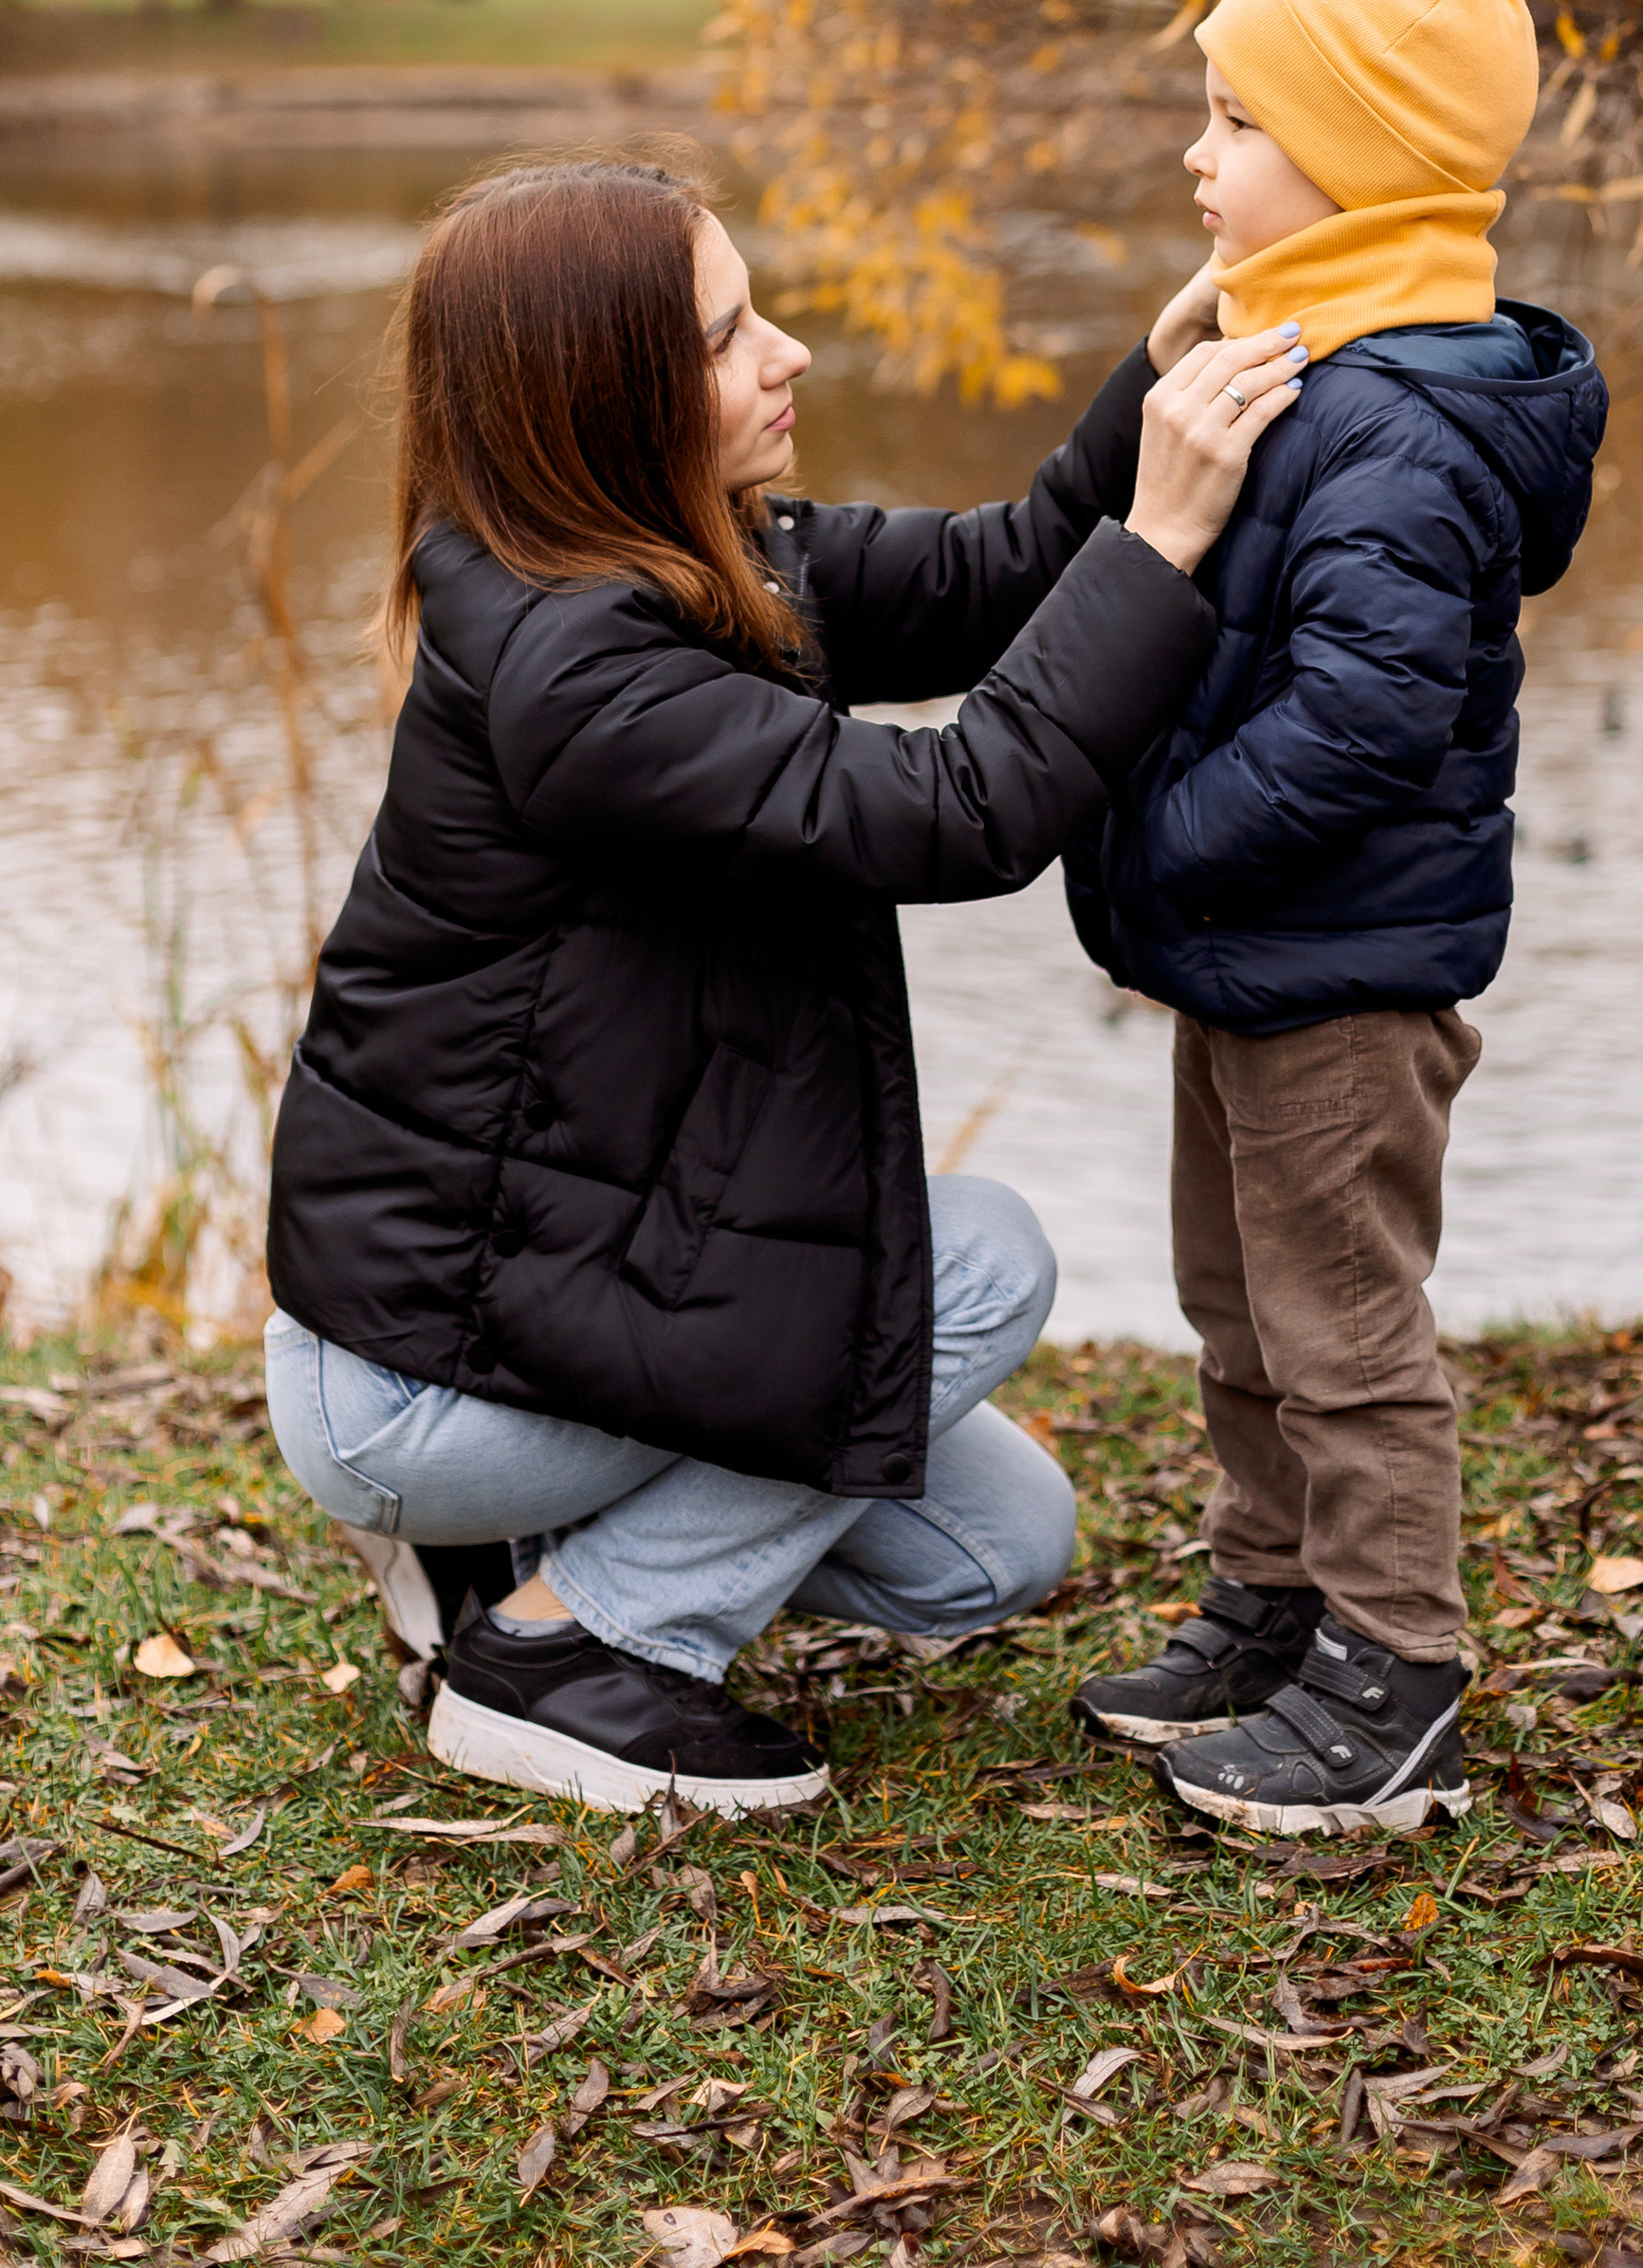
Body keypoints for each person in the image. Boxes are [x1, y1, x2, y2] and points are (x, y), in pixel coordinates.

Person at [264, 155, 1300, 1814]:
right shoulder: (583, 676)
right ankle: (571, 1653)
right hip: (421, 1378)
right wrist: (1166, 540)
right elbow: (964, 808)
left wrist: (1159, 389)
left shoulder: (681, 563)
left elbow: (990, 575)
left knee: (992, 1544)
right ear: (603, 401)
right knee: (980, 1266)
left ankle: (493, 1565)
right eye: (730, 334)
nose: (790, 353)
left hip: (537, 1298)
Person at [1067, 0, 1606, 1837]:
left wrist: (1156, 846)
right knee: (1237, 1304)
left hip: (1336, 970)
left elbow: (1364, 724)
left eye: (1232, 122)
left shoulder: (1390, 428)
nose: (1195, 163)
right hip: (1244, 955)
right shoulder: (1292, 374)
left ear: (1358, 163)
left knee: (1340, 1327)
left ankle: (1393, 1682)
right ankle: (1267, 1596)